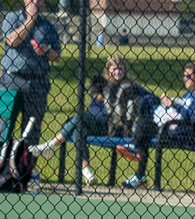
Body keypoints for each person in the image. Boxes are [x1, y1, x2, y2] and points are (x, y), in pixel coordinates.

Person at [31, 54, 153, 186]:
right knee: (79, 126)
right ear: (108, 70)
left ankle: (52, 146)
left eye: (121, 69)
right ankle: (86, 170)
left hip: (119, 128)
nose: (118, 72)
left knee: (78, 119)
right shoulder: (100, 84)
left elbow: (152, 98)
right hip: (99, 123)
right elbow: (95, 110)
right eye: (114, 69)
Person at [0, 0, 62, 143]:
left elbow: (57, 56)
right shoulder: (12, 18)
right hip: (12, 79)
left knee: (32, 131)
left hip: (37, 82)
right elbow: (12, 41)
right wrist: (30, 20)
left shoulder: (48, 26)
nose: (35, 1)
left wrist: (46, 51)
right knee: (4, 128)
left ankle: (25, 167)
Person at [151, 61, 195, 146]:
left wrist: (174, 104)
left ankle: (134, 147)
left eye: (188, 76)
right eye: (184, 76)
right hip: (171, 127)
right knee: (145, 123)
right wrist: (167, 103)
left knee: (147, 130)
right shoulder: (187, 95)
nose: (184, 78)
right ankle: (134, 147)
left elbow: (193, 119)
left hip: (186, 135)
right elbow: (176, 112)